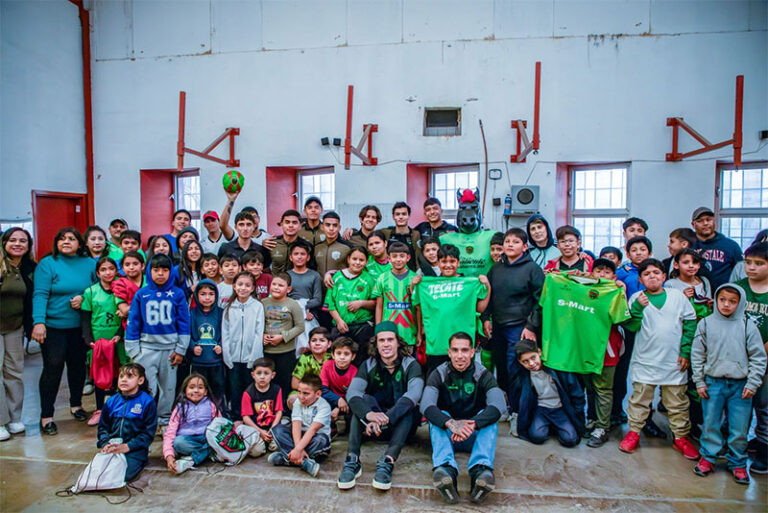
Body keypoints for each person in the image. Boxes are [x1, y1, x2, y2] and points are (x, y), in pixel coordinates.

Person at [619, 259, 699, 459]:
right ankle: (634, 432)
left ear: (664, 276)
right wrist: (637, 308)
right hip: (645, 360)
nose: (652, 276)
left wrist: (685, 352)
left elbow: (690, 324)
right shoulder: (637, 298)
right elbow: (630, 327)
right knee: (639, 400)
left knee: (677, 402)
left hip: (674, 361)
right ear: (640, 279)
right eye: (647, 274)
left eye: (656, 272)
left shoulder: (677, 297)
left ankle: (680, 437)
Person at [692, 284, 767, 484]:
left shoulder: (747, 325)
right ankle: (708, 457)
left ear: (740, 303)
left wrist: (752, 383)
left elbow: (758, 357)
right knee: (710, 423)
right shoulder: (706, 324)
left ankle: (738, 463)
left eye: (732, 302)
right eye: (722, 300)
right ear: (716, 300)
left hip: (740, 387)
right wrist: (699, 381)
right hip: (712, 383)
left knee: (739, 427)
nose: (726, 305)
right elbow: (697, 354)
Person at [337, 322, 423, 491]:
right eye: (381, 340)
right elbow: (353, 394)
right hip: (372, 426)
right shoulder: (368, 364)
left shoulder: (411, 364)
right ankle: (352, 459)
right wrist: (368, 415)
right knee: (361, 401)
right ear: (375, 343)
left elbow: (414, 394)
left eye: (390, 340)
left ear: (398, 342)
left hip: (399, 426)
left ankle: (388, 461)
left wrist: (386, 419)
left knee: (409, 407)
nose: (386, 344)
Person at [421, 332, 504, 504]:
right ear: (449, 352)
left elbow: (499, 405)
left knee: (488, 417)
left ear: (472, 352)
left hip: (474, 436)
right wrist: (451, 424)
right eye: (455, 350)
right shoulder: (439, 373)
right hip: (448, 435)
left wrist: (472, 425)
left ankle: (480, 471)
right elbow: (426, 406)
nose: (460, 356)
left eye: (465, 350)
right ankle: (446, 470)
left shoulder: (482, 374)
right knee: (439, 416)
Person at [32, 227, 96, 435]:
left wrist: (84, 298)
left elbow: (97, 289)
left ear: (80, 243)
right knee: (53, 367)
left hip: (80, 326)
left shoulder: (90, 264)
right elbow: (40, 294)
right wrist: (38, 322)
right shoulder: (48, 264)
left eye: (71, 239)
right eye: (61, 239)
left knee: (77, 367)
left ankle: (76, 405)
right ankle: (46, 415)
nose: (66, 242)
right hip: (53, 326)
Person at [482, 228, 544, 435]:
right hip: (498, 326)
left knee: (517, 372)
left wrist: (531, 327)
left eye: (515, 242)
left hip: (520, 328)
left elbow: (540, 302)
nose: (509, 245)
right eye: (507, 241)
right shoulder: (496, 269)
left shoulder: (532, 269)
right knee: (502, 370)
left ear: (525, 247)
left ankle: (519, 414)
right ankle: (508, 407)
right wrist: (485, 318)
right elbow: (488, 296)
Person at [125, 254, 189, 426]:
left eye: (165, 270)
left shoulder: (178, 294)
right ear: (149, 271)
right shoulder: (141, 294)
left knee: (168, 388)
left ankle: (164, 419)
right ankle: (144, 419)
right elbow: (133, 322)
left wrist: (181, 349)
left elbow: (184, 323)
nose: (160, 273)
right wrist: (134, 352)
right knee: (147, 387)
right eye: (156, 270)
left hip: (170, 351)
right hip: (146, 349)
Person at [413, 244, 491, 375]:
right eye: (444, 261)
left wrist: (487, 285)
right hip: (436, 343)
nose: (448, 265)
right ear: (438, 263)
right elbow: (418, 305)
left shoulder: (469, 283)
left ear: (459, 262)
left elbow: (480, 308)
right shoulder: (428, 284)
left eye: (452, 261)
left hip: (462, 346)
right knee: (436, 380)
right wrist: (413, 286)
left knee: (463, 380)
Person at [585, 258, 626, 448]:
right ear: (591, 273)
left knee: (603, 388)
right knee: (590, 387)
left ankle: (602, 426)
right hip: (585, 347)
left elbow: (622, 318)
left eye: (607, 272)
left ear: (614, 276)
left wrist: (622, 292)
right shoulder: (583, 291)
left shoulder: (617, 292)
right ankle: (591, 419)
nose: (602, 275)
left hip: (607, 348)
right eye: (598, 271)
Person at [735, 242, 768, 473]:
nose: (752, 268)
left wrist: (761, 353)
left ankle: (764, 452)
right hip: (738, 358)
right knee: (739, 406)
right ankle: (736, 449)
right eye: (748, 263)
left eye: (759, 264)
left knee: (764, 407)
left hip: (765, 361)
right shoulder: (737, 289)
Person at [0, 228, 36, 440]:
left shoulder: (28, 268)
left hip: (15, 327)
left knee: (14, 373)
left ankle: (14, 419)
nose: (18, 244)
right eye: (13, 240)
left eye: (23, 241)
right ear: (4, 242)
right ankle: (0, 421)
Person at [515, 338, 584, 447]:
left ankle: (558, 427)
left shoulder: (556, 368)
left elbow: (577, 394)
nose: (531, 363)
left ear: (539, 352)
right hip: (542, 409)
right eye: (525, 361)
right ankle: (549, 426)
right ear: (520, 362)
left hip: (560, 409)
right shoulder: (524, 376)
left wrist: (578, 416)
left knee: (570, 440)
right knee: (536, 436)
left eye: (533, 357)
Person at [81, 256, 125, 426]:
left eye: (111, 269)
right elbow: (85, 317)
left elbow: (126, 316)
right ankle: (99, 409)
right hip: (99, 341)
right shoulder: (91, 292)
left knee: (118, 375)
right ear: (98, 273)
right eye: (104, 270)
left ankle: (116, 409)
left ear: (116, 271)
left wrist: (120, 333)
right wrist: (88, 338)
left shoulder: (120, 290)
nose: (108, 273)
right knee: (100, 375)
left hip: (118, 340)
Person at [97, 363, 157, 482]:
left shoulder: (147, 402)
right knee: (100, 473)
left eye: (130, 376)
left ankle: (140, 460)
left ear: (140, 380)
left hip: (134, 449)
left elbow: (148, 434)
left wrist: (128, 446)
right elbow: (103, 427)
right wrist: (105, 444)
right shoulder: (111, 401)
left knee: (123, 475)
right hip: (112, 447)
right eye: (121, 376)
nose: (124, 380)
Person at [268, 374, 332, 478]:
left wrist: (297, 449)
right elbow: (296, 425)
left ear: (318, 394)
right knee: (277, 430)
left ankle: (287, 459)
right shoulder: (298, 402)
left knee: (322, 440)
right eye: (299, 392)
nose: (301, 396)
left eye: (306, 393)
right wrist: (298, 449)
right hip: (298, 439)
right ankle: (303, 462)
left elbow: (312, 430)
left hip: (314, 440)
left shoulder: (324, 407)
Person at [221, 271, 265, 419]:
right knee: (235, 390)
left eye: (247, 285)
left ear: (253, 288)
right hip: (233, 359)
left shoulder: (257, 306)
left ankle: (251, 418)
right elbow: (225, 333)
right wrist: (227, 356)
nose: (243, 288)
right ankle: (236, 418)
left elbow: (259, 333)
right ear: (234, 286)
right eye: (240, 284)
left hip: (250, 358)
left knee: (250, 390)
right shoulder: (229, 307)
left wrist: (254, 357)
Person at [324, 247, 375, 363]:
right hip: (340, 326)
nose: (357, 262)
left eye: (361, 260)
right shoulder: (337, 277)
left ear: (366, 262)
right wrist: (339, 321)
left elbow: (375, 303)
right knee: (340, 358)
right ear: (348, 259)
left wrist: (361, 303)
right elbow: (330, 304)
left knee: (362, 359)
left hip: (362, 326)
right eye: (354, 259)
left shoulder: (369, 279)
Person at [163, 373, 220, 475]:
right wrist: (169, 456)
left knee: (216, 439)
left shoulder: (211, 405)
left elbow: (220, 426)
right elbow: (170, 433)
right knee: (178, 442)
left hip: (206, 437)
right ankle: (209, 453)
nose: (196, 391)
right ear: (185, 390)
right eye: (191, 387)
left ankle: (191, 460)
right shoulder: (180, 407)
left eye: (200, 387)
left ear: (205, 391)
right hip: (188, 441)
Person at [262, 273, 305, 401]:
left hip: (286, 351)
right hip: (266, 351)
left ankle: (286, 412)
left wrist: (282, 337)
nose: (276, 287)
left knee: (285, 382)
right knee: (267, 382)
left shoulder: (293, 304)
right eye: (274, 284)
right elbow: (256, 324)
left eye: (280, 285)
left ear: (288, 289)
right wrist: (262, 336)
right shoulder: (263, 303)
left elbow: (300, 327)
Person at [373, 242, 418, 349]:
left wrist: (419, 333)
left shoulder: (415, 278)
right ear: (389, 259)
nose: (398, 259)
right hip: (388, 335)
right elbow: (379, 306)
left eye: (402, 256)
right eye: (394, 256)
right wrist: (378, 329)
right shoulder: (382, 278)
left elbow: (418, 308)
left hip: (409, 334)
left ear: (408, 258)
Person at [189, 280, 226, 407]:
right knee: (198, 387)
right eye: (203, 294)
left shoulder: (221, 313)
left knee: (218, 388)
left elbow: (226, 333)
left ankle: (219, 413)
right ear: (197, 296)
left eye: (211, 294)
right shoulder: (192, 313)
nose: (207, 298)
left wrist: (221, 345)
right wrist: (193, 346)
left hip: (216, 361)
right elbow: (186, 335)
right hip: (198, 361)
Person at [691, 206, 743, 290]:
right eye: (700, 221)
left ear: (714, 221)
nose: (705, 223)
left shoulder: (730, 246)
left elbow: (740, 272)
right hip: (693, 296)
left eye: (709, 219)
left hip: (722, 297)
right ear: (693, 225)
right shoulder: (688, 245)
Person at [241, 357, 283, 456]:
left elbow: (279, 411)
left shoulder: (277, 389)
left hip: (272, 428)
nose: (262, 377)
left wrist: (272, 429)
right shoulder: (248, 393)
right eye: (259, 373)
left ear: (272, 375)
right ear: (253, 375)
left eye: (266, 373)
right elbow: (245, 417)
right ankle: (262, 444)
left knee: (278, 444)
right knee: (256, 452)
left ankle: (269, 443)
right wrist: (260, 432)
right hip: (255, 429)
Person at [288, 327, 331, 409]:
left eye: (322, 340)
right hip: (304, 391)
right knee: (293, 399)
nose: (317, 343)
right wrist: (310, 393)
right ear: (309, 344)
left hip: (324, 392)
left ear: (329, 344)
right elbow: (294, 384)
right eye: (314, 340)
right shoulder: (305, 358)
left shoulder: (332, 359)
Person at [320, 337, 358, 426]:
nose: (342, 357)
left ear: (353, 356)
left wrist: (339, 407)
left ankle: (343, 421)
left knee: (355, 405)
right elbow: (323, 389)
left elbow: (354, 394)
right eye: (338, 353)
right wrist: (338, 400)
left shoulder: (355, 372)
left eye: (346, 354)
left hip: (347, 403)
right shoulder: (327, 365)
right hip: (331, 398)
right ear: (333, 355)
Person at [287, 240, 323, 323]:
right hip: (289, 314)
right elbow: (282, 297)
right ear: (291, 257)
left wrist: (303, 308)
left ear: (308, 257)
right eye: (296, 254)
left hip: (310, 314)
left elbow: (317, 299)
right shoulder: (286, 276)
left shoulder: (314, 275)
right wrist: (297, 309)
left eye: (302, 254)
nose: (299, 257)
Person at [382, 202, 421, 271]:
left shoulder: (415, 234)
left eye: (404, 214)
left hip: (411, 275)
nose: (400, 217)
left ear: (408, 215)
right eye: (397, 214)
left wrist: (418, 271)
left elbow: (418, 255)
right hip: (391, 274)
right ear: (393, 217)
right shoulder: (386, 233)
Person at [315, 211, 352, 283]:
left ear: (339, 228)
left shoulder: (347, 247)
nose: (331, 228)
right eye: (327, 225)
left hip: (339, 289)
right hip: (320, 290)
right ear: (322, 227)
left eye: (335, 225)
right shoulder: (317, 248)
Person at [113, 251, 145, 330]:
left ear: (143, 266)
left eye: (135, 264)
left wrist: (131, 310)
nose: (131, 267)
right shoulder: (119, 285)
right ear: (123, 268)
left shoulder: (150, 281)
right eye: (127, 265)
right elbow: (124, 310)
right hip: (131, 328)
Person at [617, 236, 653, 300]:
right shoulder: (621, 272)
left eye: (643, 249)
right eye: (634, 250)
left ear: (650, 253)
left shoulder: (656, 272)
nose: (638, 253)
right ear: (628, 255)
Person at [271, 210, 303, 274]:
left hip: (297, 283)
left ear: (300, 225)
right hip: (276, 282)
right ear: (281, 224)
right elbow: (265, 267)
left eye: (294, 222)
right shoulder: (272, 244)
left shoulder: (306, 246)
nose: (291, 225)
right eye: (287, 222)